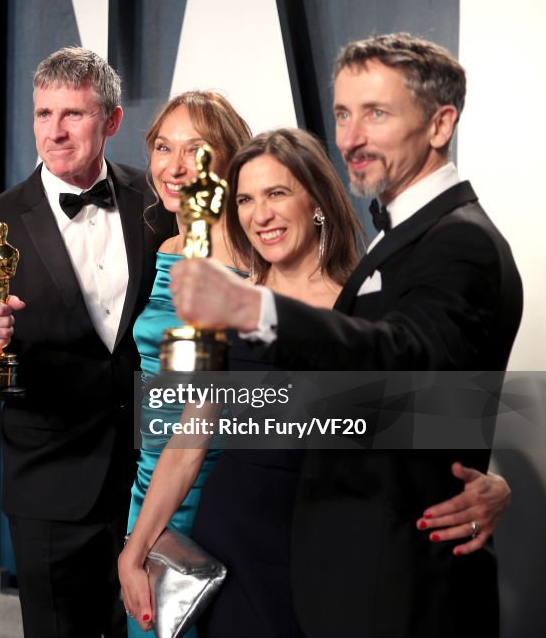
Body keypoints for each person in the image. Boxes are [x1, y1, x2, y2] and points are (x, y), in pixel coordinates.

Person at [166, 33, 522, 637]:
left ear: (440, 124)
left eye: (376, 113)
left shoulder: (458, 242)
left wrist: (257, 311)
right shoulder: (405, 238)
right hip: (325, 564)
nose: (352, 137)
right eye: (342, 114)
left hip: (397, 587)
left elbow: (404, 361)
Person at [0, 46, 171, 637]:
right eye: (43, 114)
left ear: (111, 122)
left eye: (73, 114)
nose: (54, 131)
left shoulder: (158, 206)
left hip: (152, 475)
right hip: (52, 485)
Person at [125, 90, 252, 638]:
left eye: (195, 150)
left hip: (209, 490)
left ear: (230, 161)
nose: (174, 167)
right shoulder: (167, 247)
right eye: (162, 147)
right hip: (146, 487)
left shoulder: (249, 264)